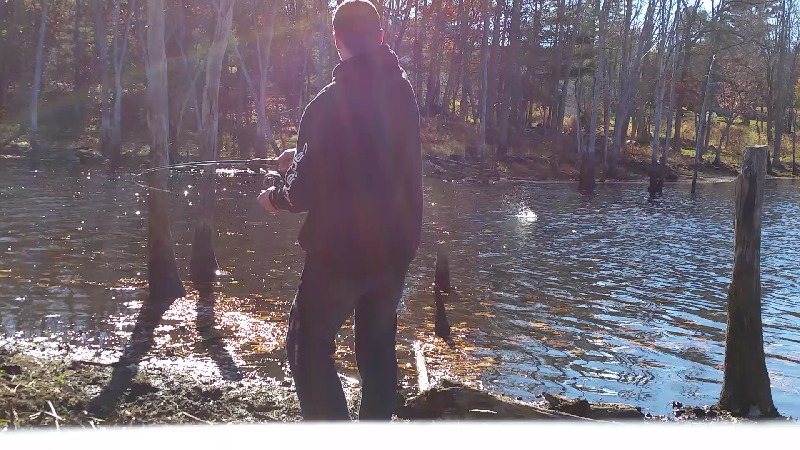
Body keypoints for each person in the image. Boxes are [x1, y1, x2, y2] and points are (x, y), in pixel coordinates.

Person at [257, 0, 423, 421]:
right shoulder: (402, 93)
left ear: (337, 42)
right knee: (377, 347)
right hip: (395, 248)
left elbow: (303, 192)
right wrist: (303, 153)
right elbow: (369, 152)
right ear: (381, 38)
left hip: (340, 252)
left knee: (306, 344)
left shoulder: (327, 104)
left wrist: (275, 198)